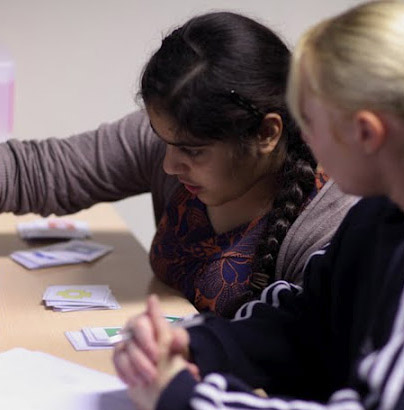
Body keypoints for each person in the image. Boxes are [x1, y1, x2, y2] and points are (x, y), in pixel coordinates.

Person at [113, 1, 404, 409]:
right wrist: (194, 342)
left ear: (366, 133)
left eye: (308, 120)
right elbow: (303, 322)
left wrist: (185, 398)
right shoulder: (379, 212)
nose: (302, 140)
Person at [0, 12, 354, 317]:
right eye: (162, 139)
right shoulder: (175, 137)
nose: (169, 164)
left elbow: (304, 365)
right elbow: (37, 170)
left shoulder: (330, 230)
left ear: (266, 133)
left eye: (192, 150)